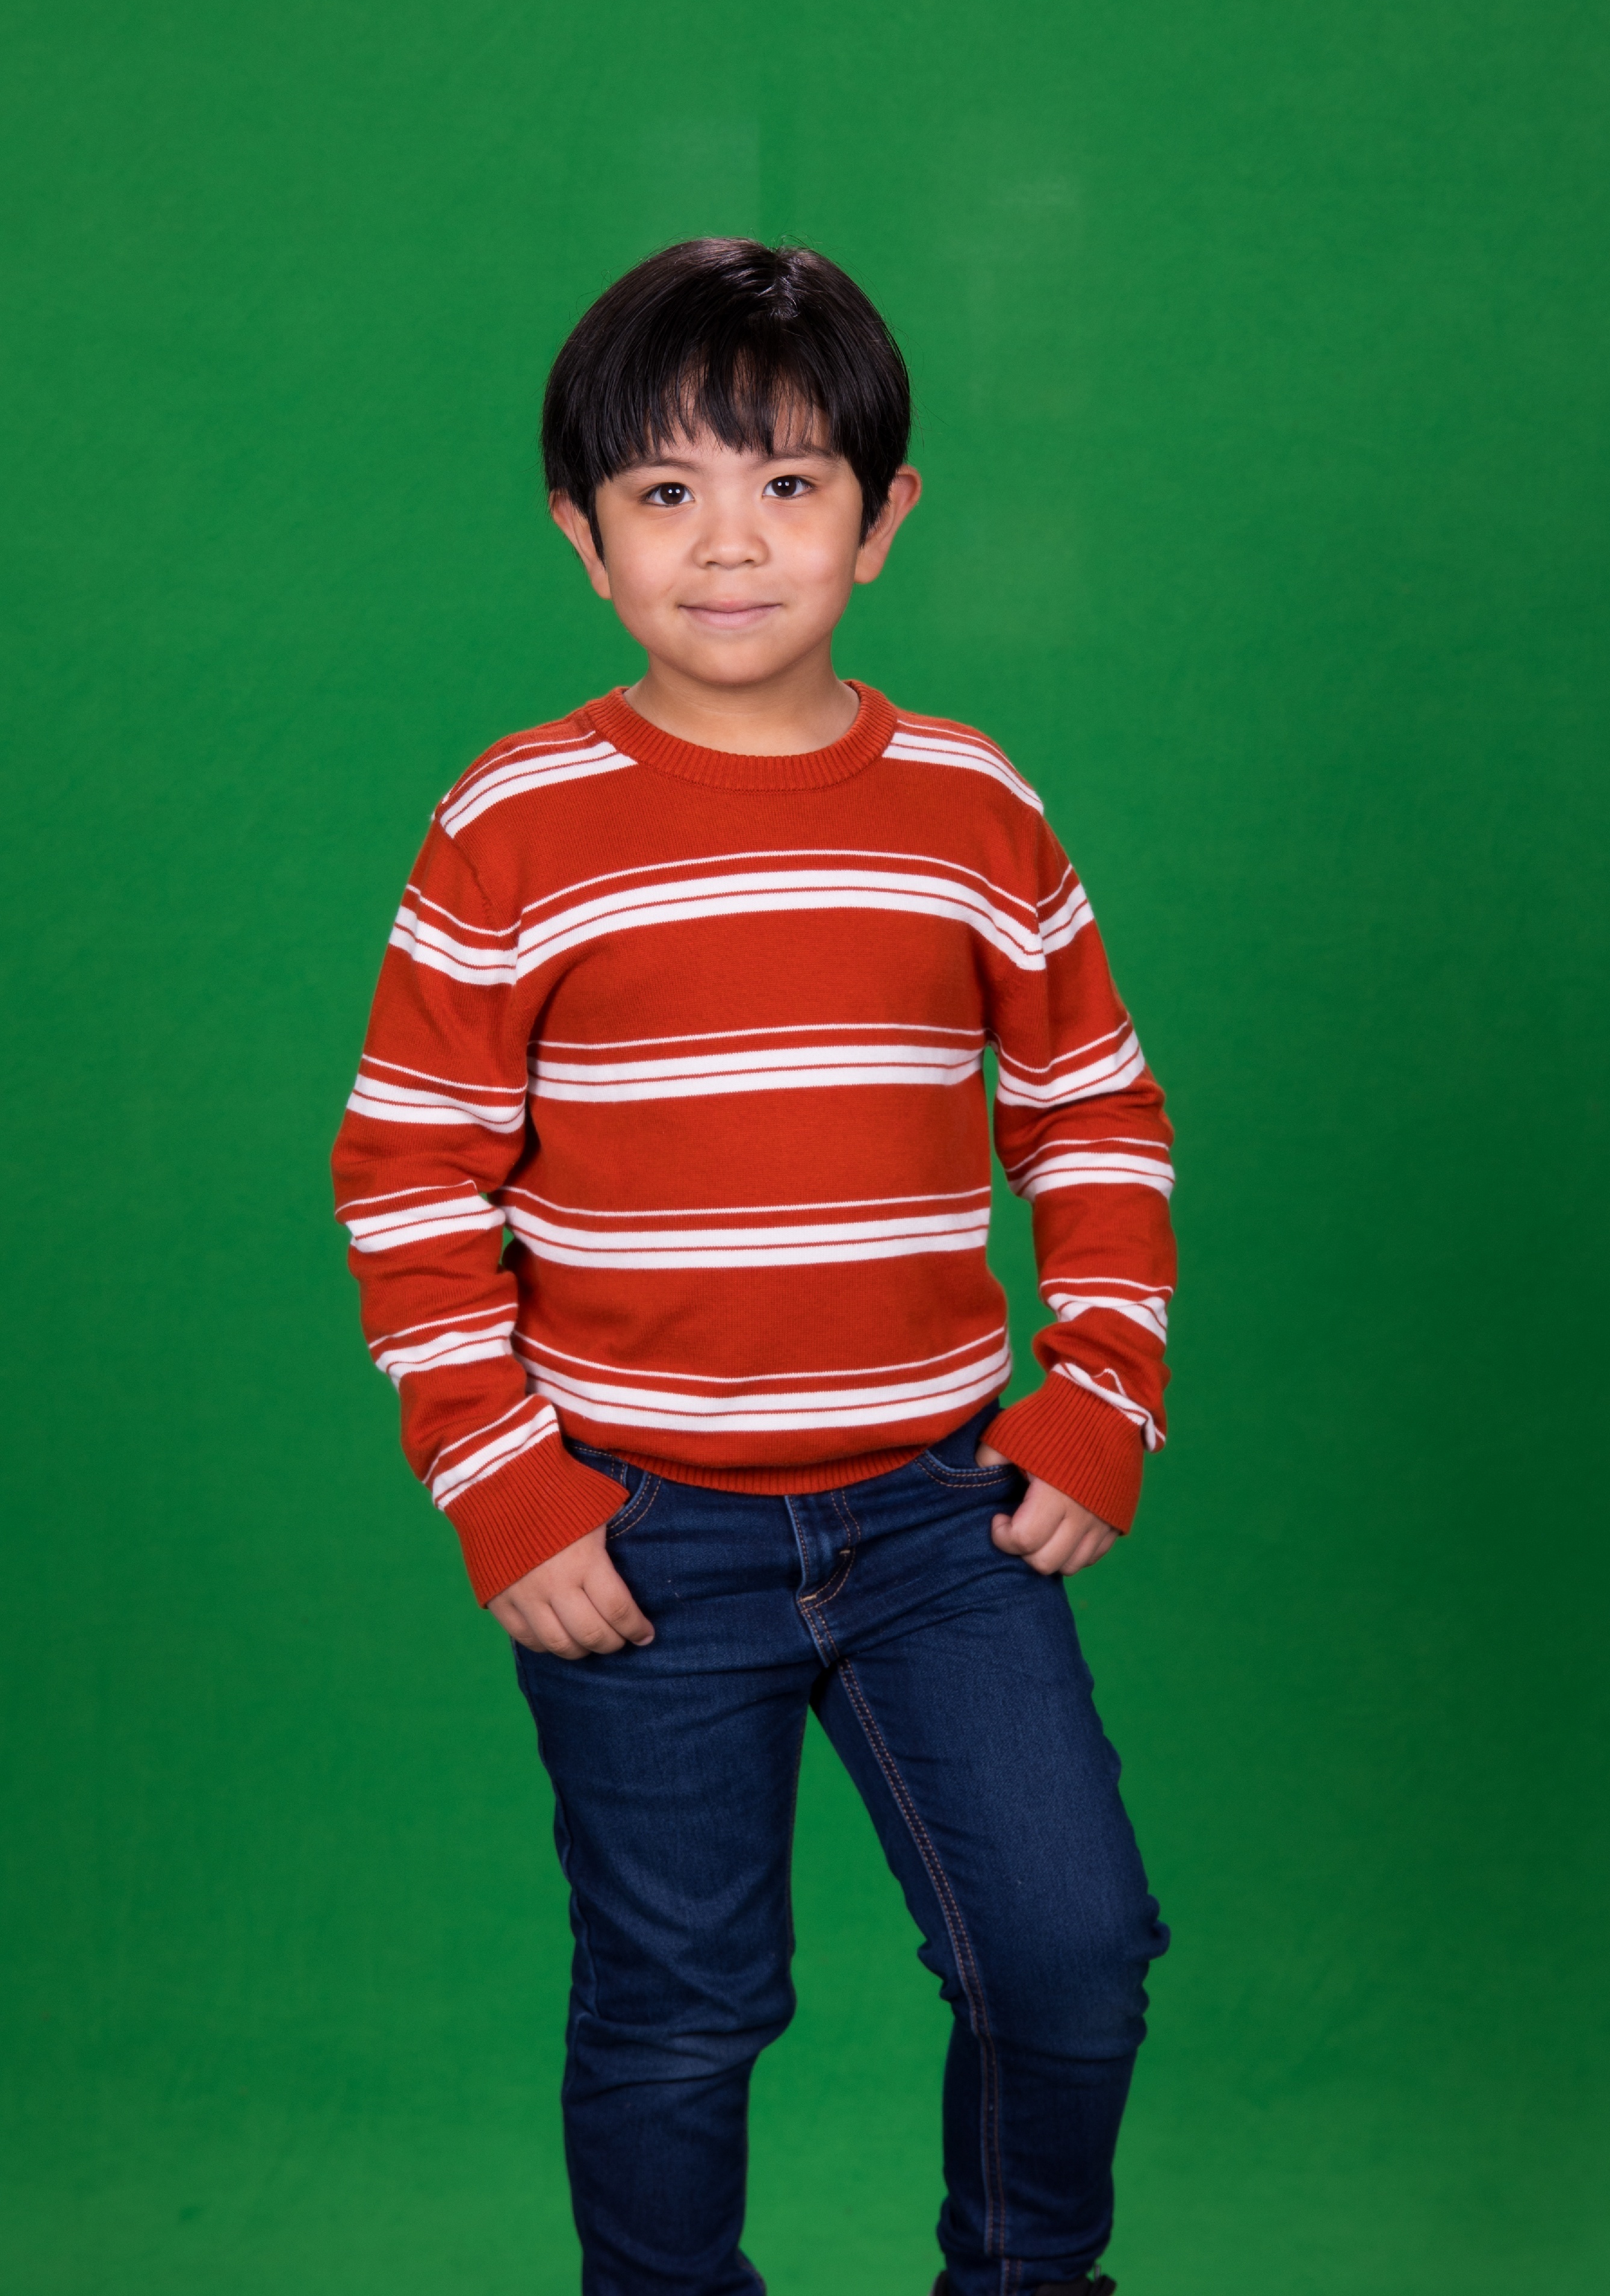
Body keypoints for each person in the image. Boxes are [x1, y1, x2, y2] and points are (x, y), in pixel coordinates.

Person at [331, 238, 1175, 2296]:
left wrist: (1100, 1398)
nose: (731, 542)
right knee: (677, 2009)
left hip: (942, 1514)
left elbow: (1092, 1112)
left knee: (1068, 1953)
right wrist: (505, 1485)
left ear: (881, 521)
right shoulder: (512, 820)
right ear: (584, 534)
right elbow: (411, 1169)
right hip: (634, 1532)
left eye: (790, 484)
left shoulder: (970, 802)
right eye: (668, 491)